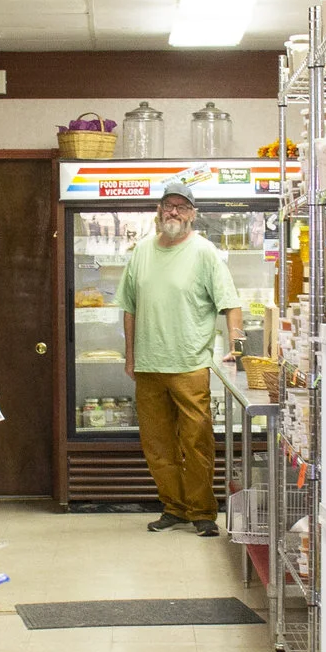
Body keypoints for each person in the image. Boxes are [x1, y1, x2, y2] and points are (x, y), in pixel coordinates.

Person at [120, 180, 243, 536]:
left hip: (190, 364)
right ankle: (173, 508)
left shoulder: (204, 252)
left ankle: (203, 512)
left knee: (197, 443)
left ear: (192, 214)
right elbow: (129, 308)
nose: (174, 212)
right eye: (168, 205)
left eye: (181, 206)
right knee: (157, 446)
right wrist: (130, 357)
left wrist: (236, 346)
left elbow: (230, 304)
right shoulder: (142, 251)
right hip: (149, 365)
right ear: (159, 212)